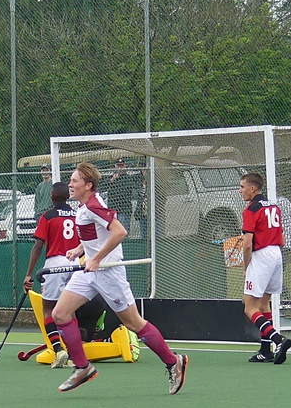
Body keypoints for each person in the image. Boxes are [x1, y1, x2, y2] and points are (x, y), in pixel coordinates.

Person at [50, 162, 187, 395]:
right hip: (90, 272)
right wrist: (80, 250)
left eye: (74, 181)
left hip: (109, 273)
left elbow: (120, 232)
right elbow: (97, 235)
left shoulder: (93, 205)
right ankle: (83, 367)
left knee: (133, 323)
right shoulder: (84, 207)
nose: (70, 185)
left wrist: (96, 259)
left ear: (88, 185)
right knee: (60, 314)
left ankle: (173, 362)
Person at [23, 181, 80, 368]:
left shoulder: (47, 216)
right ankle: (73, 355)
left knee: (48, 309)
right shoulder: (77, 215)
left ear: (52, 197)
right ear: (68, 196)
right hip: (75, 264)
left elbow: (38, 246)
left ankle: (59, 350)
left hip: (54, 265)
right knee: (69, 310)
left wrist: (29, 274)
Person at [239, 172, 291, 365]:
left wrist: (247, 267)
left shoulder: (251, 209)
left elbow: (247, 244)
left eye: (242, 187)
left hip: (261, 256)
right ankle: (265, 350)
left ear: (253, 189)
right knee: (264, 305)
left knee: (249, 307)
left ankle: (278, 340)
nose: (240, 190)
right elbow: (283, 238)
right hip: (277, 253)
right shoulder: (274, 207)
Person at [108, 159, 141, 233]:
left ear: (125, 166)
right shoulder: (110, 177)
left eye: (122, 166)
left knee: (123, 233)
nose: (120, 168)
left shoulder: (128, 178)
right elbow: (103, 187)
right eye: (118, 166)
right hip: (113, 211)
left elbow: (129, 189)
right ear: (115, 166)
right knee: (112, 233)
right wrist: (112, 179)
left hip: (124, 210)